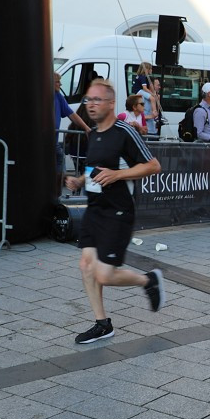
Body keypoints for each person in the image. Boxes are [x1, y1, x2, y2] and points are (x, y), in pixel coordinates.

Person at [64, 78, 164, 344]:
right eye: (88, 99)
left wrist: (118, 175)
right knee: (86, 265)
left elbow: (154, 166)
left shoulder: (124, 132)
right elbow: (96, 168)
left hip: (118, 211)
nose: (91, 105)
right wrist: (80, 180)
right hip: (95, 209)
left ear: (111, 103)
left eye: (97, 100)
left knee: (104, 274)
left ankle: (148, 280)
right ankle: (102, 324)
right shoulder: (94, 133)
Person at [54, 71, 91, 178]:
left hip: (54, 141)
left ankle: (57, 188)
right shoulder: (43, 97)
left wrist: (86, 128)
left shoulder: (58, 96)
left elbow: (72, 114)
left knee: (59, 159)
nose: (60, 84)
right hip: (45, 141)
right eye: (58, 82)